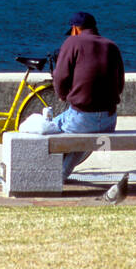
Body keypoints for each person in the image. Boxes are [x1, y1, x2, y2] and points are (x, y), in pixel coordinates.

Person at [48, 11, 125, 181]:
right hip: (109, 120)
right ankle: (60, 175)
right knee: (83, 138)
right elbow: (120, 85)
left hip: (82, 118)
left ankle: (52, 177)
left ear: (75, 29)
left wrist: (62, 95)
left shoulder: (72, 42)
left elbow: (60, 76)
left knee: (44, 132)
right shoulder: (112, 46)